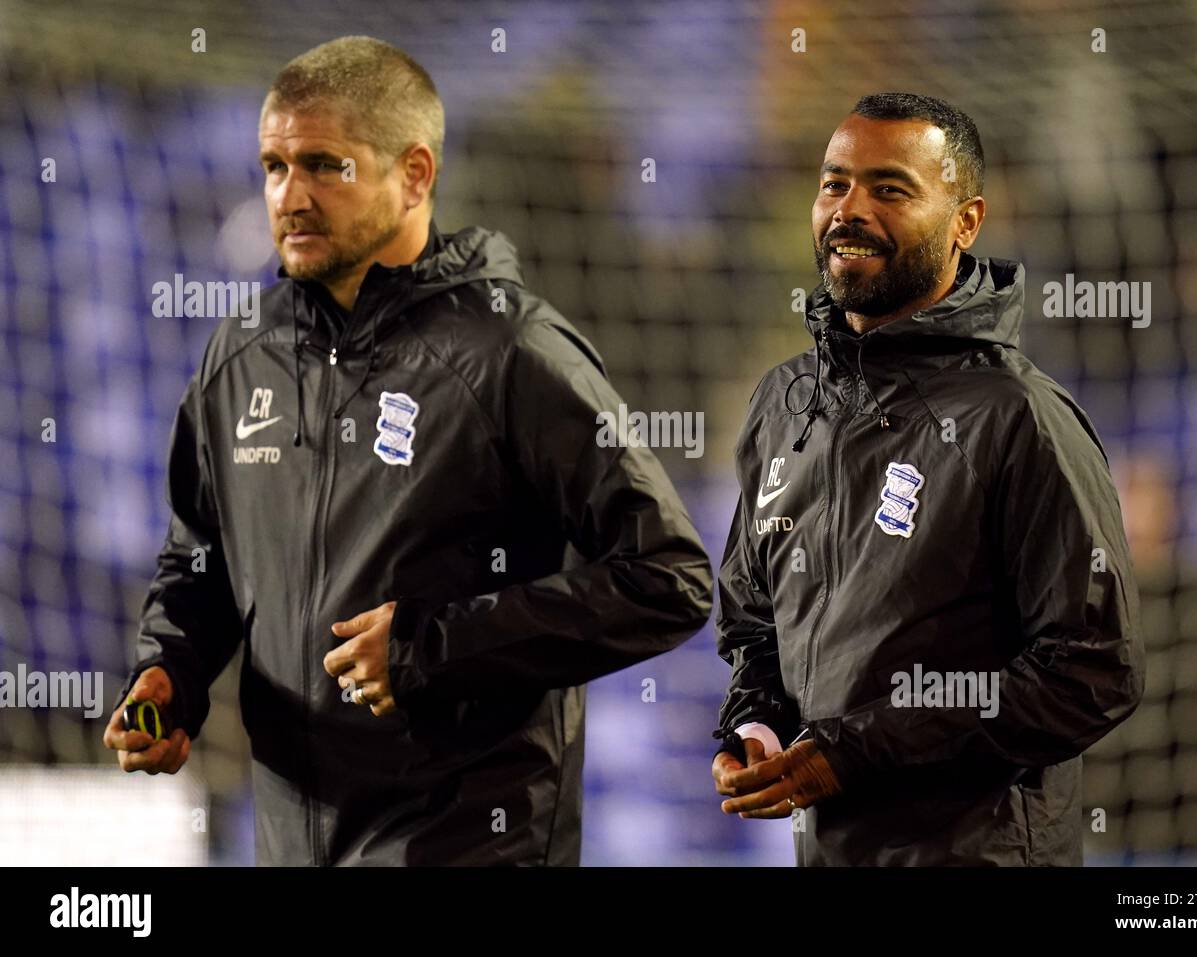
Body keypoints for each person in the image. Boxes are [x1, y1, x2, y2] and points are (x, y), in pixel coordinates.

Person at [103, 36, 713, 866]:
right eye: (274, 166)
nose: (290, 194)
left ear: (415, 174)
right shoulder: (241, 351)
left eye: (325, 165)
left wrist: (436, 647)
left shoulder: (511, 351)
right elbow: (202, 556)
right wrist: (167, 673)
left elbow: (669, 578)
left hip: (466, 842)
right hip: (289, 842)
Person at [711, 92, 1144, 866]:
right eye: (834, 183)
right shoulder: (782, 402)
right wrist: (758, 726)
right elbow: (754, 624)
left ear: (966, 221)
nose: (850, 210)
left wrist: (858, 750)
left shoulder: (1020, 417)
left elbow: (1093, 670)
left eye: (890, 189)